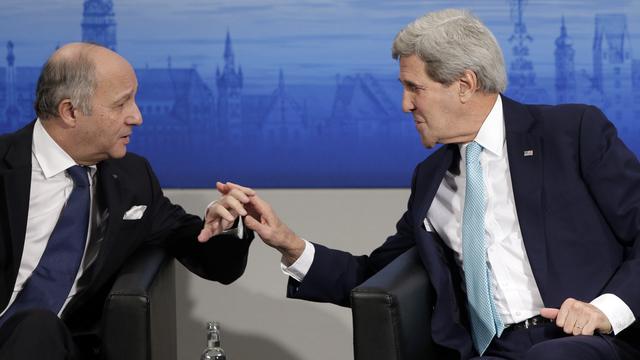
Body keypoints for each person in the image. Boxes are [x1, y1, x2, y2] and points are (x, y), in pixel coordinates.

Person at [214, 9, 640, 360]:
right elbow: (372, 274)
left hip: (585, 342)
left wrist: (604, 311)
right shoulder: (431, 179)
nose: (404, 105)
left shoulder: (571, 133)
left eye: (414, 88)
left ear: (465, 85)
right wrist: (288, 242)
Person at [0, 42, 254, 359]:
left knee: (36, 327)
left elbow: (207, 256)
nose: (137, 117)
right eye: (122, 104)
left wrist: (227, 227)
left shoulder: (133, 179)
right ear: (70, 112)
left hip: (57, 345)